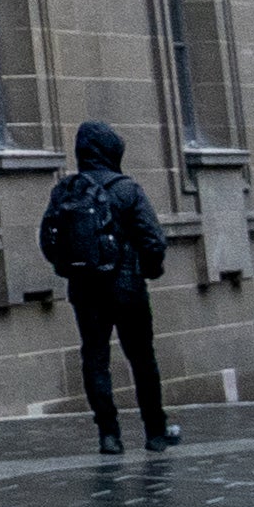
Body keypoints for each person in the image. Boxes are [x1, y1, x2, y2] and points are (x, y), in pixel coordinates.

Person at [38, 117, 175, 449]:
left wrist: (70, 269)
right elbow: (153, 239)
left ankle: (108, 434)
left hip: (85, 290)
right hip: (127, 287)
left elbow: (47, 240)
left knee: (95, 358)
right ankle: (155, 431)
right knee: (141, 357)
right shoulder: (126, 189)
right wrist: (151, 269)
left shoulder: (65, 191)